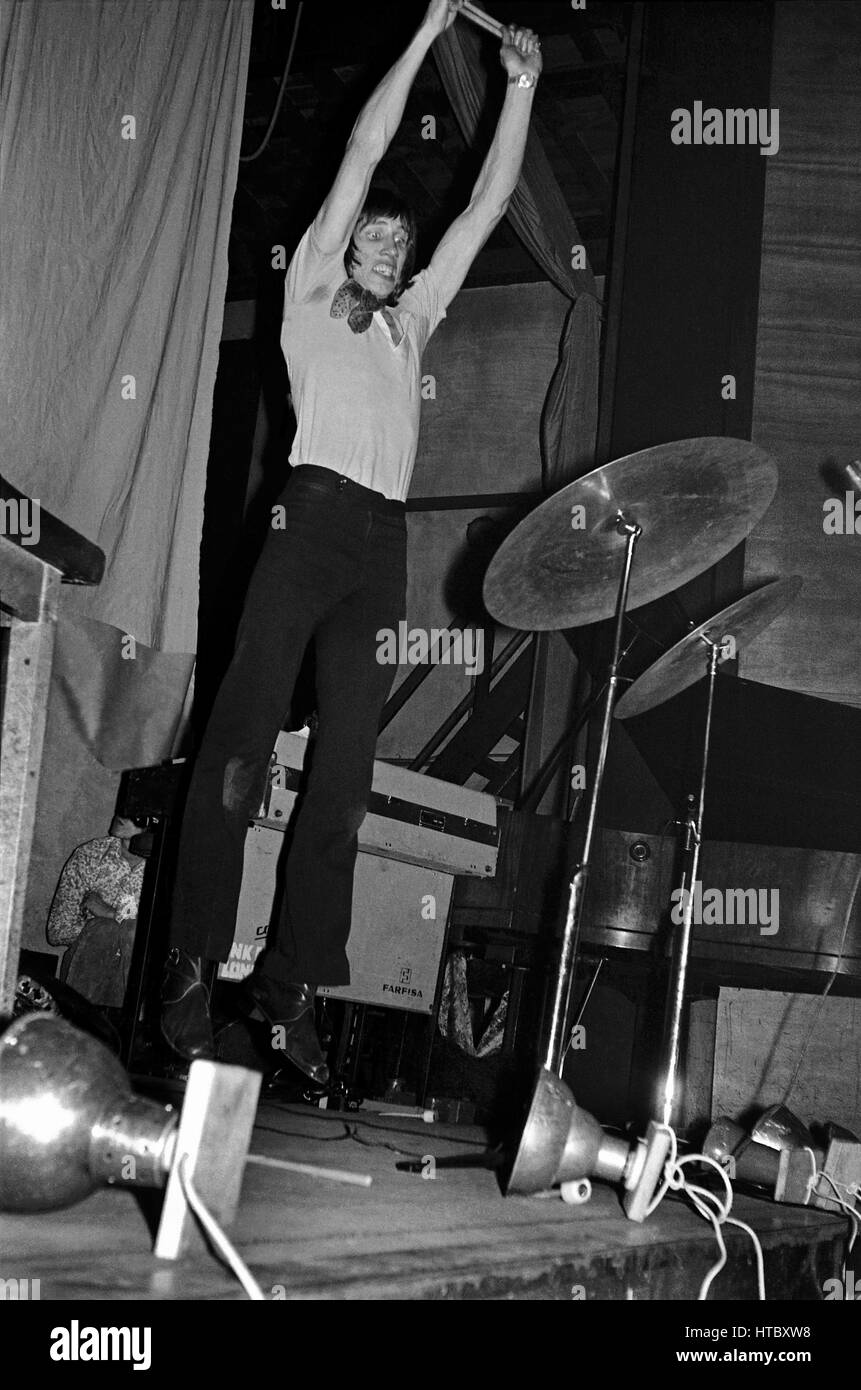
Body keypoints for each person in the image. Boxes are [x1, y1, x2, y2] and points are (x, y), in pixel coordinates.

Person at [161, 0, 542, 1081]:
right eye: (372, 229)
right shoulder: (309, 292)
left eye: (397, 238)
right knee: (239, 745)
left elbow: (487, 205)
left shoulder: (414, 319)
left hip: (382, 544)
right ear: (345, 243)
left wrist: (517, 85)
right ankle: (191, 967)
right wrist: (426, 32)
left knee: (344, 775)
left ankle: (291, 991)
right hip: (306, 516)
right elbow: (366, 145)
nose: (385, 238)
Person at [46, 814, 146, 1007]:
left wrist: (110, 914)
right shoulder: (90, 855)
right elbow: (58, 931)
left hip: (135, 978)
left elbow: (164, 939)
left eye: (136, 811)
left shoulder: (168, 869)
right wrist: (107, 928)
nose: (122, 814)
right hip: (85, 969)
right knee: (104, 930)